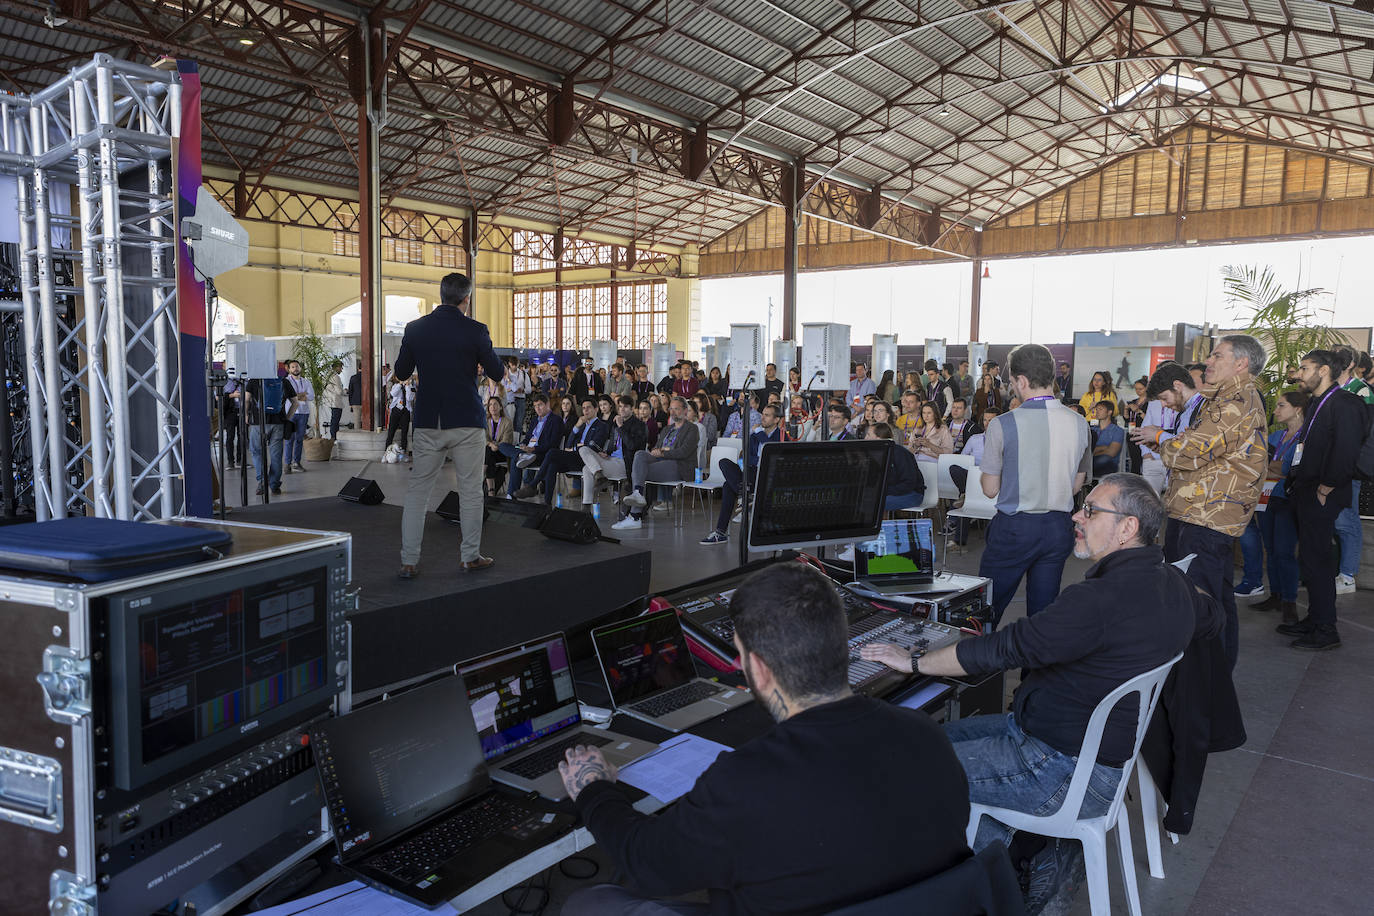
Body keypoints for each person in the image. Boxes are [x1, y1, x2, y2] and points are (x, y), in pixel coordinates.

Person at [862, 473, 1195, 911]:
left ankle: (992, 890)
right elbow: (1213, 619)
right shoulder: (1172, 580)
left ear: (1127, 528)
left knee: (911, 766)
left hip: (1059, 769)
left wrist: (915, 660)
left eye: (1091, 511)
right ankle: (1023, 863)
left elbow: (1005, 647)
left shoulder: (1099, 600)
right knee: (926, 740)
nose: (1077, 516)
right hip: (1083, 754)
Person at [559, 563, 972, 916]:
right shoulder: (926, 737)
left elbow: (645, 861)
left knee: (590, 904)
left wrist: (594, 790)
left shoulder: (744, 784)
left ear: (756, 669)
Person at [1146, 338, 1269, 670]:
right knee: (1217, 601)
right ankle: (1216, 677)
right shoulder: (1228, 398)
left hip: (1205, 516)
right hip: (1204, 513)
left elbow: (1186, 450)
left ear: (1240, 363)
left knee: (1198, 604)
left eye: (1217, 355)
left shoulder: (1235, 400)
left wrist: (1162, 441)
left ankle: (1203, 682)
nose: (1209, 361)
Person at [395, 272, 504, 578]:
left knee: (418, 493)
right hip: (466, 421)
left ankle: (409, 561)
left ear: (441, 295)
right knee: (470, 491)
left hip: (429, 419)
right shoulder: (476, 330)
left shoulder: (415, 329)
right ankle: (469, 557)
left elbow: (402, 371)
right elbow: (496, 371)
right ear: (466, 299)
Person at [977, 343, 1091, 626]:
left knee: (985, 611)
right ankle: (1037, 670)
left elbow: (990, 489)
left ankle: (983, 669)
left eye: (1012, 382)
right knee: (1043, 615)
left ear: (1022, 381)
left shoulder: (1003, 424)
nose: (1012, 388)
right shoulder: (1079, 423)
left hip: (1015, 528)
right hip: (1058, 528)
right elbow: (1077, 483)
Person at [1277, 350, 1366, 650]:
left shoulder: (1345, 403)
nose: (1299, 373)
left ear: (1324, 370)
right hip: (1307, 489)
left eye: (1304, 368)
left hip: (1323, 492)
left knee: (1319, 559)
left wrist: (1327, 486)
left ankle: (1326, 629)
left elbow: (1346, 450)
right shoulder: (1317, 402)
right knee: (1311, 559)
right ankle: (1315, 619)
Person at [1248, 391, 1307, 624]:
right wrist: (1278, 469)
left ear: (1298, 408)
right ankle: (1276, 595)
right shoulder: (1275, 437)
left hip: (1288, 500)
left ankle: (1290, 601)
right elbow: (1257, 463)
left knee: (1284, 551)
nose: (1275, 410)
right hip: (1266, 497)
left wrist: (1277, 469)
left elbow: (1291, 470)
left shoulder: (1305, 438)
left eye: (1281, 405)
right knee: (1270, 549)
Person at [700, 404, 785, 545]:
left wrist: (759, 435)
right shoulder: (755, 437)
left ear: (776, 419)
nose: (762, 418)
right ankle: (743, 495)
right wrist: (759, 456)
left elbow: (774, 453)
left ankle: (721, 531)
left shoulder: (781, 435)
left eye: (767, 415)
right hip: (751, 473)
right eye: (763, 414)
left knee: (728, 486)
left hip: (767, 476)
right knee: (724, 462)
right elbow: (747, 458)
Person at [612, 396, 699, 530]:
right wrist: (657, 451)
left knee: (641, 473)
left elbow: (684, 452)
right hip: (661, 462)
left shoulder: (692, 429)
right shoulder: (667, 429)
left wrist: (664, 453)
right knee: (640, 454)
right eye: (671, 409)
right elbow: (656, 448)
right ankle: (638, 494)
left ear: (685, 411)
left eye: (677, 409)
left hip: (679, 466)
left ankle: (635, 516)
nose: (673, 412)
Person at [1332, 345, 1373, 594]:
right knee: (1337, 522)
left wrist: (1354, 465)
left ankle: (1347, 575)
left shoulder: (1361, 390)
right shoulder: (1331, 389)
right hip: (1330, 466)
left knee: (1347, 521)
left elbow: (1365, 433)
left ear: (1348, 364)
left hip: (1349, 468)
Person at [522, 398, 609, 504]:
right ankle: (547, 504)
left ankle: (533, 485)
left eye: (589, 408)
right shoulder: (581, 426)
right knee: (552, 465)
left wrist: (575, 448)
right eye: (583, 408)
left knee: (552, 452)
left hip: (587, 460)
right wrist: (576, 426)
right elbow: (568, 444)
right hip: (573, 457)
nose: (585, 410)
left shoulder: (602, 426)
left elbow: (593, 446)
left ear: (596, 409)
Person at [580, 395, 646, 507]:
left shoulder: (639, 425)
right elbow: (613, 443)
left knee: (586, 469)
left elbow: (632, 445)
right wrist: (607, 452)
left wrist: (621, 427)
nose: (622, 409)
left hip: (625, 464)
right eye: (620, 407)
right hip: (611, 459)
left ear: (632, 408)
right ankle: (598, 476)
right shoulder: (617, 423)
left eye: (625, 407)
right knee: (583, 449)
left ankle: (587, 506)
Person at [497, 393, 564, 498]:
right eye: (535, 406)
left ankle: (511, 494)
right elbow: (528, 438)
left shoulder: (556, 420)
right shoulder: (534, 420)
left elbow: (553, 444)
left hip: (540, 453)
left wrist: (533, 448)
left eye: (540, 405)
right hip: (527, 451)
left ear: (547, 404)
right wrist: (522, 445)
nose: (537, 408)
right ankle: (520, 454)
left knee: (515, 458)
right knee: (502, 445)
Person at [244, 376, 289, 497]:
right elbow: (295, 401)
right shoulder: (282, 380)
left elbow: (247, 399)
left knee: (257, 451)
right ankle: (274, 484)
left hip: (258, 423)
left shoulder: (254, 380)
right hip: (278, 423)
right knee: (276, 455)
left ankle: (262, 481)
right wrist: (287, 418)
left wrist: (246, 415)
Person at [867, 421, 924, 513]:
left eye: (869, 435)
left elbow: (909, 483)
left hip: (912, 494)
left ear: (879, 438)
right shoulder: (873, 454)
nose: (865, 438)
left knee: (875, 503)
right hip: (887, 493)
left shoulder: (900, 453)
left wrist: (883, 491)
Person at [282, 358, 313, 473]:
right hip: (291, 413)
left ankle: (297, 463)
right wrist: (301, 395)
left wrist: (296, 395)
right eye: (293, 367)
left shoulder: (306, 382)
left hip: (304, 413)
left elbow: (311, 396)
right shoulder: (286, 381)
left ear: (300, 368)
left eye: (297, 366)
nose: (296, 369)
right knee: (289, 439)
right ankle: (287, 464)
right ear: (289, 369)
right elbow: (288, 396)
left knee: (300, 439)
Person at [482, 396, 514, 497]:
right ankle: (491, 490)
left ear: (500, 407)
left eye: (495, 404)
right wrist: (491, 444)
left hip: (502, 452)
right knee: (489, 453)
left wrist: (496, 445)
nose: (493, 407)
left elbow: (507, 440)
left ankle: (481, 474)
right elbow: (483, 438)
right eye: (490, 405)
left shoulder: (507, 422)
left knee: (488, 452)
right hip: (490, 453)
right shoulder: (486, 421)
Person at [1090, 400, 1125, 478]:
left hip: (1108, 463)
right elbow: (1087, 450)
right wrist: (1103, 448)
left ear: (1109, 412)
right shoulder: (1092, 429)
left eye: (1100, 409)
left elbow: (1112, 452)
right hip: (1093, 460)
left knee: (1104, 459)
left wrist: (1093, 452)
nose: (1097, 412)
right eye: (1096, 409)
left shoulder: (1117, 430)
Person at [383, 373, 412, 457]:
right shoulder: (395, 385)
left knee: (404, 434)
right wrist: (400, 384)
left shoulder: (411, 387)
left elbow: (409, 398)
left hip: (405, 411)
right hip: (396, 410)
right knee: (391, 432)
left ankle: (403, 454)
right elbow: (393, 394)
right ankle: (386, 453)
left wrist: (407, 386)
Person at [322, 360, 347, 443]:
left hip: (330, 401)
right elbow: (339, 391)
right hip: (335, 402)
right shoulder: (336, 377)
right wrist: (345, 391)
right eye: (341, 367)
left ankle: (334, 438)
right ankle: (334, 439)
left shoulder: (328, 376)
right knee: (335, 422)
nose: (341, 369)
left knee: (334, 421)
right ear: (336, 367)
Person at [505, 356, 532, 431]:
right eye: (512, 365)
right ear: (509, 364)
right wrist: (510, 389)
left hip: (520, 400)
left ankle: (517, 441)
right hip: (509, 401)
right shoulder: (505, 374)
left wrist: (522, 391)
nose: (514, 367)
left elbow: (529, 389)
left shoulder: (523, 374)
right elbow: (501, 388)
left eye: (516, 365)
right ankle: (508, 441)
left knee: (519, 423)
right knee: (509, 423)